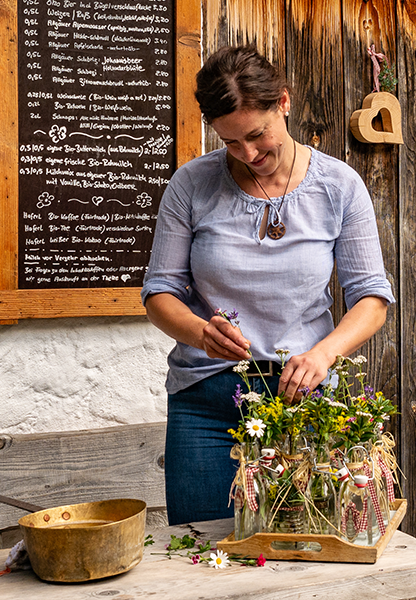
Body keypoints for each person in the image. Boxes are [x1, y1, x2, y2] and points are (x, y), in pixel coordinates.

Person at [140, 45, 395, 525]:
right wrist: (199, 333)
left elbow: (372, 299)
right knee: (203, 551)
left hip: (306, 399)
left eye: (257, 136)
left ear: (284, 101)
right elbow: (159, 294)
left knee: (310, 545)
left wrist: (322, 355)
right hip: (207, 404)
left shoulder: (339, 185)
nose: (249, 154)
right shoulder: (190, 186)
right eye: (231, 142)